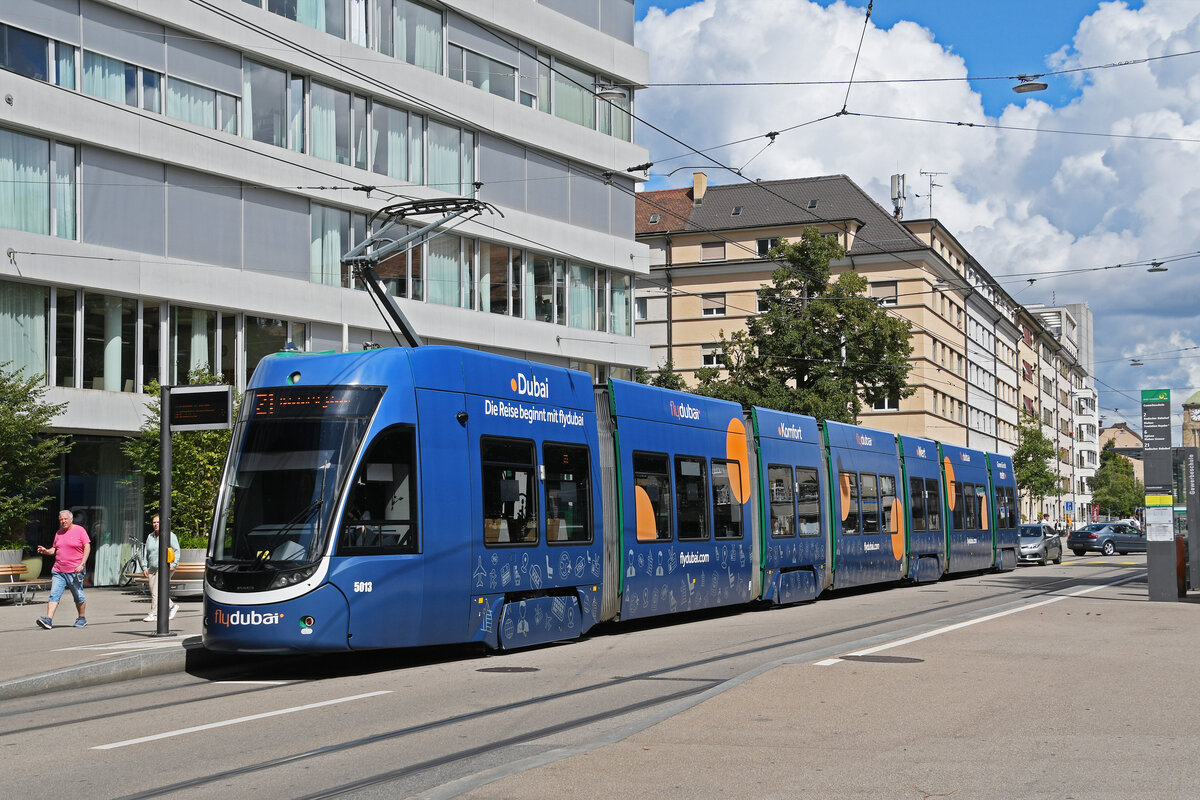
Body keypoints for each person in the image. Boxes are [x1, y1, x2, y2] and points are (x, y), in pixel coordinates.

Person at [35, 509, 90, 629]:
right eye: (61, 519)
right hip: (59, 571)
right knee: (54, 595)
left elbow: (87, 546)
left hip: (75, 571)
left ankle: (82, 618)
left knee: (78, 596)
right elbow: (55, 549)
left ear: (71, 519)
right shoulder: (59, 533)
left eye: (65, 519)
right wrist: (46, 551)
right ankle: (48, 620)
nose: (63, 521)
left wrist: (82, 563)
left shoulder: (80, 531)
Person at [143, 513, 181, 622]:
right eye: (154, 522)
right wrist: (145, 567)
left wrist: (174, 564)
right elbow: (146, 552)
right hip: (152, 568)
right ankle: (172, 606)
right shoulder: (150, 536)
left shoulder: (169, 535)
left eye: (158, 522)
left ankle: (153, 614)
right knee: (154, 591)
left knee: (156, 591)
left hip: (164, 567)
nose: (155, 524)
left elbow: (177, 550)